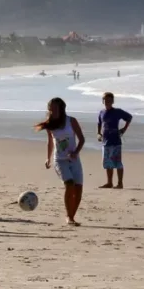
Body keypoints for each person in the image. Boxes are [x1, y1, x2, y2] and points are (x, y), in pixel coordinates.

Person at [36, 97, 85, 226]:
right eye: (51, 108)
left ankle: (72, 216)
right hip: (60, 160)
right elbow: (50, 142)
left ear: (62, 108)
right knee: (69, 184)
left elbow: (82, 139)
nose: (53, 110)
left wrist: (75, 152)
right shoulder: (49, 125)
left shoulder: (72, 121)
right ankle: (69, 217)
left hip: (74, 160)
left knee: (78, 189)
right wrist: (48, 158)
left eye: (56, 107)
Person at [97, 92, 133, 189]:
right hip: (105, 141)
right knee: (107, 163)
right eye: (105, 100)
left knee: (117, 162)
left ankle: (120, 183)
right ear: (102, 101)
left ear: (112, 101)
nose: (107, 102)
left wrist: (124, 129)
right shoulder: (101, 112)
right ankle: (109, 183)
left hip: (115, 141)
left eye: (109, 100)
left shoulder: (117, 111)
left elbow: (129, 117)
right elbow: (99, 123)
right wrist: (98, 133)